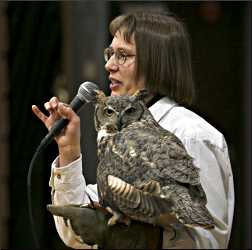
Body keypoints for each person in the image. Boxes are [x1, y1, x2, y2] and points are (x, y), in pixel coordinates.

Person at [32, 11, 234, 249]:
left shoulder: (191, 135)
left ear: (156, 64)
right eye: (110, 54)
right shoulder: (119, 136)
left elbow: (209, 240)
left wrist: (136, 238)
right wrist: (68, 150)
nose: (108, 65)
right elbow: (76, 234)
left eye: (123, 55)